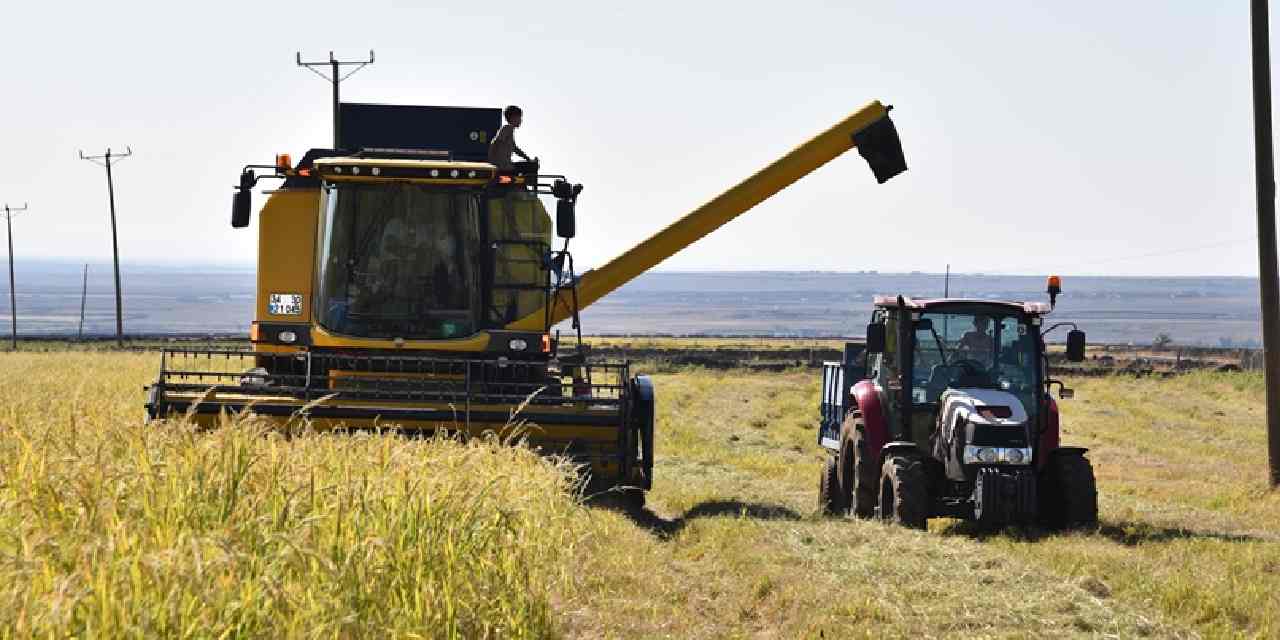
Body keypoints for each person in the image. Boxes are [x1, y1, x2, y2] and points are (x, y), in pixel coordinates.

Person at [488, 105, 537, 172]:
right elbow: (496, 142)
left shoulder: (509, 131)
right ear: (513, 117)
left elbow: (516, 150)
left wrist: (528, 159)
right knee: (533, 166)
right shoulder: (507, 128)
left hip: (507, 165)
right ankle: (531, 182)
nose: (521, 120)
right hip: (504, 167)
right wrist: (493, 162)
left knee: (529, 164)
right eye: (519, 117)